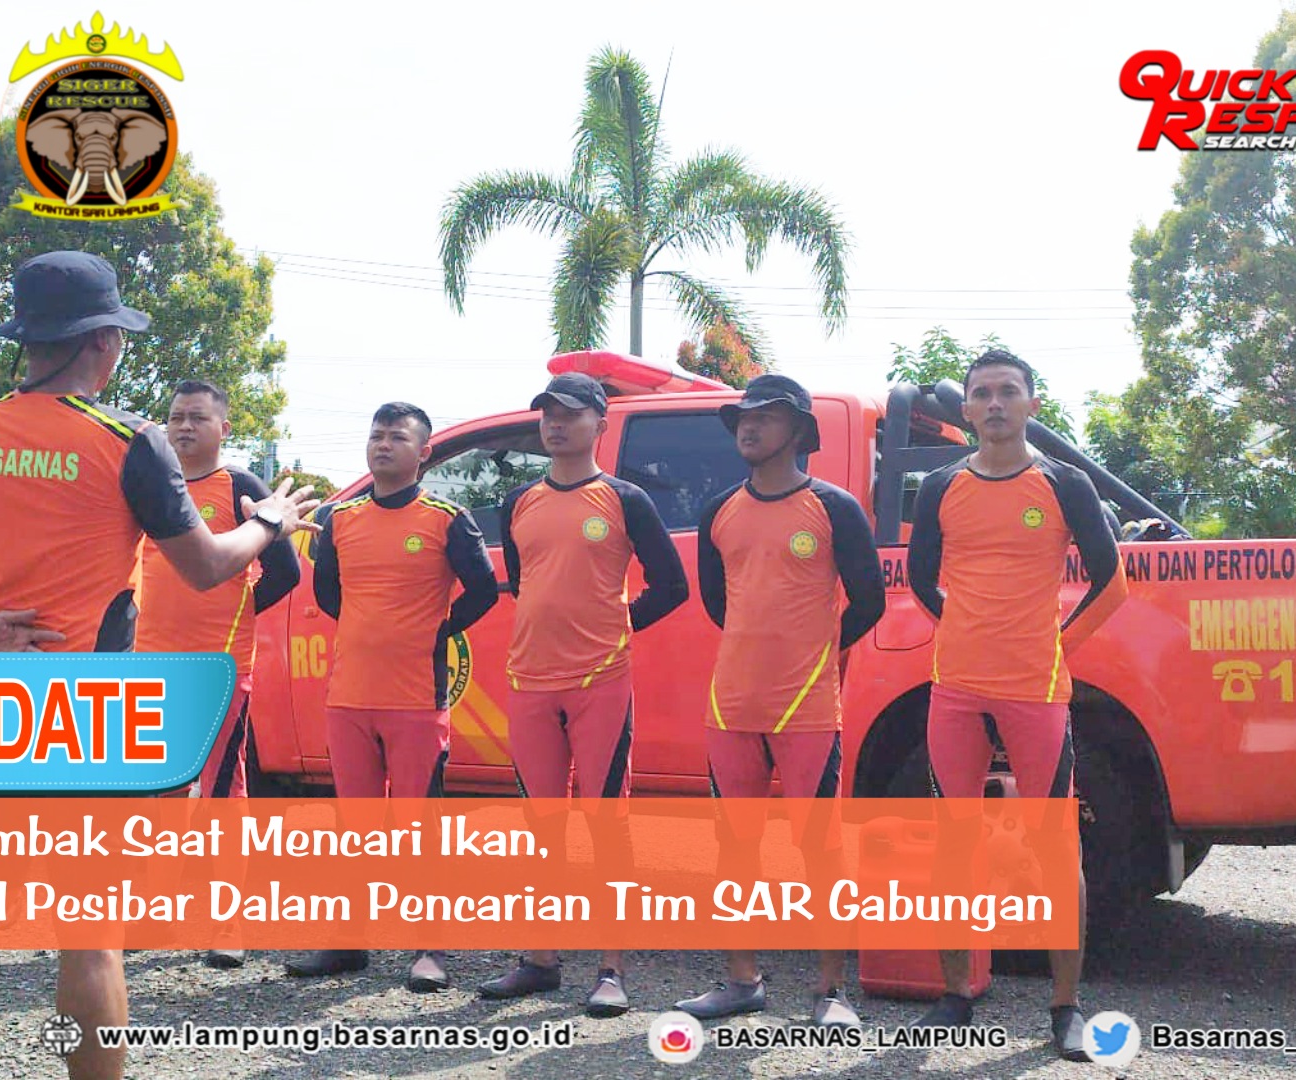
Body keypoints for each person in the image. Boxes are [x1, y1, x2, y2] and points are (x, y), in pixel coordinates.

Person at [0, 251, 320, 1080]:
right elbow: (207, 565)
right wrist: (268, 520)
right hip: (82, 719)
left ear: (28, 338)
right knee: (89, 939)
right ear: (102, 342)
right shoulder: (129, 442)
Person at [905, 349, 1129, 1061]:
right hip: (955, 689)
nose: (995, 403)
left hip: (1036, 690)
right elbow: (920, 578)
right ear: (966, 410)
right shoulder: (940, 487)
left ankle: (1065, 1006)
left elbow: (1111, 582)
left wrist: (1058, 644)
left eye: (1008, 391)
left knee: (1055, 848)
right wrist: (964, 631)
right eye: (982, 393)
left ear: (1032, 403)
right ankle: (954, 995)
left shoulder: (1064, 483)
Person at [475, 372, 688, 1016]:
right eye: (548, 413)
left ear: (601, 422)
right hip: (530, 681)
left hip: (601, 682)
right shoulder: (519, 501)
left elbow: (671, 585)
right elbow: (523, 582)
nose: (556, 424)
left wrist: (619, 627)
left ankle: (611, 968)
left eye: (570, 413)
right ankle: (539, 959)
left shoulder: (625, 499)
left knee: (606, 828)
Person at [677, 374, 883, 1027]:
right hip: (731, 705)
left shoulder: (833, 508)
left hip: (806, 710)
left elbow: (869, 601)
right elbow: (718, 603)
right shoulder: (719, 510)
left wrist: (816, 652)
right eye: (742, 416)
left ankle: (829, 992)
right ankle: (742, 981)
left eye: (764, 416)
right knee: (733, 850)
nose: (748, 425)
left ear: (796, 430)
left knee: (819, 852)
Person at [283, 402, 499, 992]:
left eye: (396, 437)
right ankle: (347, 942)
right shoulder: (340, 519)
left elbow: (483, 591)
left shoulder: (447, 519)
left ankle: (430, 948)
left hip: (415, 699)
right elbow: (329, 595)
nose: (382, 445)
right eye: (376, 435)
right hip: (350, 697)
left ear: (423, 453)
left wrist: (435, 631)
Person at [134, 378, 301, 970]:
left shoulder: (241, 487)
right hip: (148, 668)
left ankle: (228, 921)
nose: (184, 426)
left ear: (223, 428)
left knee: (223, 794)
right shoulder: (150, 487)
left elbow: (285, 572)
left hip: (219, 668)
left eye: (198, 417)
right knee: (159, 794)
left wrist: (238, 609)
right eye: (177, 416)